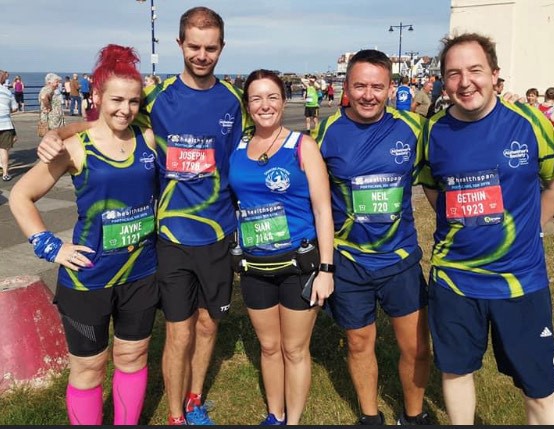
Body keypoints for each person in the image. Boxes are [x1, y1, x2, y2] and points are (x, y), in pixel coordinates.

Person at [37, 7, 248, 425]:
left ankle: (194, 399)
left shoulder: (233, 100)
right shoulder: (157, 98)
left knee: (208, 326)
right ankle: (175, 414)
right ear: (179, 44)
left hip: (219, 231)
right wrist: (58, 133)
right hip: (169, 235)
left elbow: (248, 154)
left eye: (210, 48)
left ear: (222, 48)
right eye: (194, 46)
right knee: (179, 329)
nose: (202, 55)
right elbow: (107, 122)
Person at [415, 32, 554, 425]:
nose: (465, 82)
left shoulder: (529, 122)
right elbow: (433, 188)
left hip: (519, 281)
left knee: (539, 389)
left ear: (495, 75)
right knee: (456, 372)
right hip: (454, 279)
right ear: (444, 81)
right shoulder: (434, 130)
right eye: (454, 74)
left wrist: (530, 228)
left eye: (475, 70)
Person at [9, 44, 159, 426]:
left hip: (141, 272)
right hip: (88, 277)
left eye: (133, 101)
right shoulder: (77, 147)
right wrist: (50, 246)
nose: (125, 109)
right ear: (97, 97)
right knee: (89, 367)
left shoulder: (148, 139)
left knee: (132, 357)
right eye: (116, 100)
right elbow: (21, 195)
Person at [314, 49, 431, 426]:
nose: (368, 95)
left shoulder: (413, 128)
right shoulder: (327, 131)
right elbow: (311, 193)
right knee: (359, 343)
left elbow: (442, 174)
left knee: (416, 347)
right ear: (346, 87)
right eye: (360, 86)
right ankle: (370, 417)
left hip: (400, 260)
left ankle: (414, 416)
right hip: (350, 261)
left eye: (377, 87)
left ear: (390, 88)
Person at [229, 69, 334, 425]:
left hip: (298, 265)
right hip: (255, 266)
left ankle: (293, 421)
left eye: (272, 97)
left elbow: (322, 210)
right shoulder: (237, 148)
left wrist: (327, 269)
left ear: (284, 101)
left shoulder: (302, 146)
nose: (265, 105)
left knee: (294, 348)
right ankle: (274, 415)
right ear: (247, 105)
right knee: (270, 347)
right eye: (256, 98)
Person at [0, 69, 18, 181]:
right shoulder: (7, 91)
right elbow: (15, 108)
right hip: (5, 124)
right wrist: (6, 111)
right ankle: (5, 174)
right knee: (4, 149)